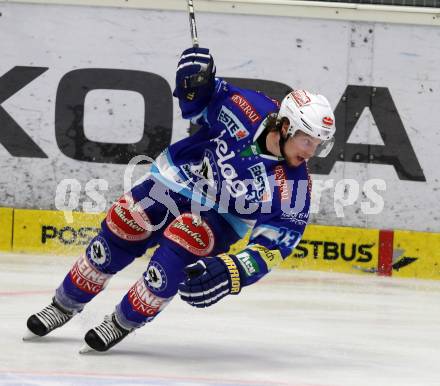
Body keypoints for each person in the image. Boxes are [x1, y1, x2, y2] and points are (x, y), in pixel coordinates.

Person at [24, 47, 336, 353]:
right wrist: (192, 81)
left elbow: (274, 246)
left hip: (223, 215)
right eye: (306, 140)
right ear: (285, 126)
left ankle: (122, 322)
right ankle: (64, 304)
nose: (310, 152)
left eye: (317, 145)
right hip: (182, 179)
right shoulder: (246, 106)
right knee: (125, 222)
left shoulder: (294, 184)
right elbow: (200, 103)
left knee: (183, 243)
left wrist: (233, 272)